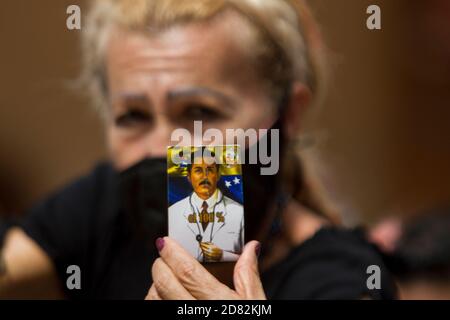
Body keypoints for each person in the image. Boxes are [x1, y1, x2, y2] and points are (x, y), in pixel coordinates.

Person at [0, 0, 396, 299]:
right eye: (133, 117)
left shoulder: (343, 278)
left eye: (198, 113)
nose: (162, 148)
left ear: (288, 114)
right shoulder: (106, 206)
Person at [168, 153, 244, 262]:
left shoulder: (238, 212)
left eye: (210, 170)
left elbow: (250, 258)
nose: (204, 176)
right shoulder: (173, 212)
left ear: (218, 175)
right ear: (189, 177)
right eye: (198, 170)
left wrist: (223, 256)